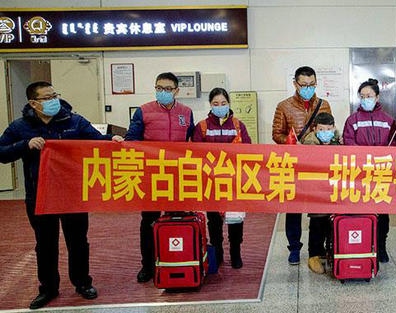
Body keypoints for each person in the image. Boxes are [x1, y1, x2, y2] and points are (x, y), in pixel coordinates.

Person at [0, 81, 123, 309]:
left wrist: (112, 140)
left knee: (78, 242)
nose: (53, 100)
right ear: (33, 103)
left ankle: (82, 283)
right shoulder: (20, 127)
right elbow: (2, 152)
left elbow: (96, 141)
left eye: (54, 95)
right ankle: (48, 288)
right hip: (40, 195)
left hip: (72, 194)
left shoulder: (74, 121)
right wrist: (25, 145)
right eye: (47, 98)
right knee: (45, 244)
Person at [125, 72, 194, 283]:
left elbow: (193, 142)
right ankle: (147, 265)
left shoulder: (186, 112)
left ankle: (175, 259)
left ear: (176, 91)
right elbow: (131, 140)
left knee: (177, 219)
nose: (163, 92)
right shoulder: (143, 111)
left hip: (177, 177)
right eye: (159, 88)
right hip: (152, 176)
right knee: (149, 221)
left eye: (167, 89)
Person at [272, 66, 332, 265]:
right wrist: (291, 143)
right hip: (294, 165)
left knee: (320, 207)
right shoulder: (284, 106)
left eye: (312, 85)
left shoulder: (324, 105)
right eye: (304, 85)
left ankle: (318, 247)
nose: (308, 88)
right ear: (295, 84)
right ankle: (294, 248)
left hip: (318, 166)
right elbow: (276, 134)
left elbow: (329, 129)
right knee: (294, 208)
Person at [192, 87, 251, 270]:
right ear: (210, 105)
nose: (220, 106)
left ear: (229, 104)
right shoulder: (202, 127)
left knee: (236, 219)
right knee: (214, 221)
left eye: (223, 103)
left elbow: (249, 151)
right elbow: (195, 153)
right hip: (211, 182)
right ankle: (217, 253)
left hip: (233, 182)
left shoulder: (238, 125)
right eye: (216, 103)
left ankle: (236, 253)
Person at [342, 78, 396, 263]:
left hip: (381, 173)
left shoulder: (388, 120)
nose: (365, 99)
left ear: (377, 97)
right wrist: (364, 158)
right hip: (360, 174)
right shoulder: (353, 120)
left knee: (382, 212)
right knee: (362, 210)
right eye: (362, 96)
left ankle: (381, 246)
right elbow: (348, 143)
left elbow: (394, 145)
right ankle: (364, 244)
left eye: (369, 96)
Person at [301, 112, 342, 273]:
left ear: (333, 128)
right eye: (321, 129)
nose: (325, 132)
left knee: (331, 222)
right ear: (315, 129)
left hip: (334, 190)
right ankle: (314, 255)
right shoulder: (309, 144)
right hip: (316, 191)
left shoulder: (339, 143)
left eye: (329, 129)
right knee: (317, 223)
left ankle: (328, 251)